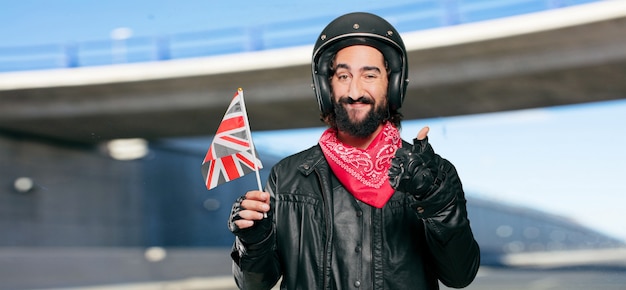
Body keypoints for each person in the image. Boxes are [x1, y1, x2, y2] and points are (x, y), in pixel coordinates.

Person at [228, 12, 480, 289]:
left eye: (370, 75)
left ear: (392, 84)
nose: (355, 90)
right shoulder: (286, 176)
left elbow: (459, 276)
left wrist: (434, 199)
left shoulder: (435, 174)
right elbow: (254, 285)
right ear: (326, 87)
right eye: (343, 75)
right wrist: (254, 241)